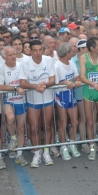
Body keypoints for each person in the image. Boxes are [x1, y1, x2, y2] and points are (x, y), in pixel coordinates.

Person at [19, 40, 56, 168]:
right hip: (33, 100)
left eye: (40, 49)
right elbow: (22, 83)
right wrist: (35, 86)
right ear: (30, 51)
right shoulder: (25, 63)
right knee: (34, 127)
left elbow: (52, 79)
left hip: (47, 99)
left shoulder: (48, 60)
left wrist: (44, 85)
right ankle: (36, 153)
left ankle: (46, 152)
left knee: (47, 126)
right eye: (35, 50)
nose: (38, 53)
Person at [0, 46, 28, 166]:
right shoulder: (0, 67)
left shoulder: (22, 66)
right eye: (10, 55)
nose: (14, 57)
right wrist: (15, 88)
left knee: (21, 128)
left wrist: (23, 87)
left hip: (21, 100)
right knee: (10, 118)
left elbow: (26, 82)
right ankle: (12, 138)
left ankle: (19, 154)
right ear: (4, 57)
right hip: (8, 99)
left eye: (14, 54)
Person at [54, 42, 82, 160]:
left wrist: (78, 80)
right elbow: (54, 82)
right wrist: (65, 82)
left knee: (75, 121)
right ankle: (63, 146)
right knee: (63, 122)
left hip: (71, 94)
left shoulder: (71, 63)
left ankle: (71, 143)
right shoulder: (57, 66)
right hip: (61, 95)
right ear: (66, 53)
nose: (73, 53)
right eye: (71, 51)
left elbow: (76, 77)